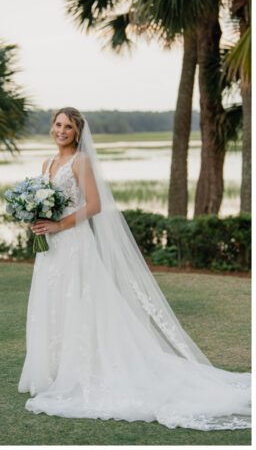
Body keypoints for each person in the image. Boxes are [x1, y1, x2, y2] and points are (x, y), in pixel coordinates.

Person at [20, 107, 250, 430]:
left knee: (80, 303)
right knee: (54, 302)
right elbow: (44, 202)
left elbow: (95, 205)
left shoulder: (80, 162)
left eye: (68, 127)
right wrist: (36, 219)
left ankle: (84, 370)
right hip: (51, 251)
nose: (61, 131)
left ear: (77, 132)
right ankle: (57, 369)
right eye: (57, 124)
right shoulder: (46, 163)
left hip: (74, 245)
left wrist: (59, 224)